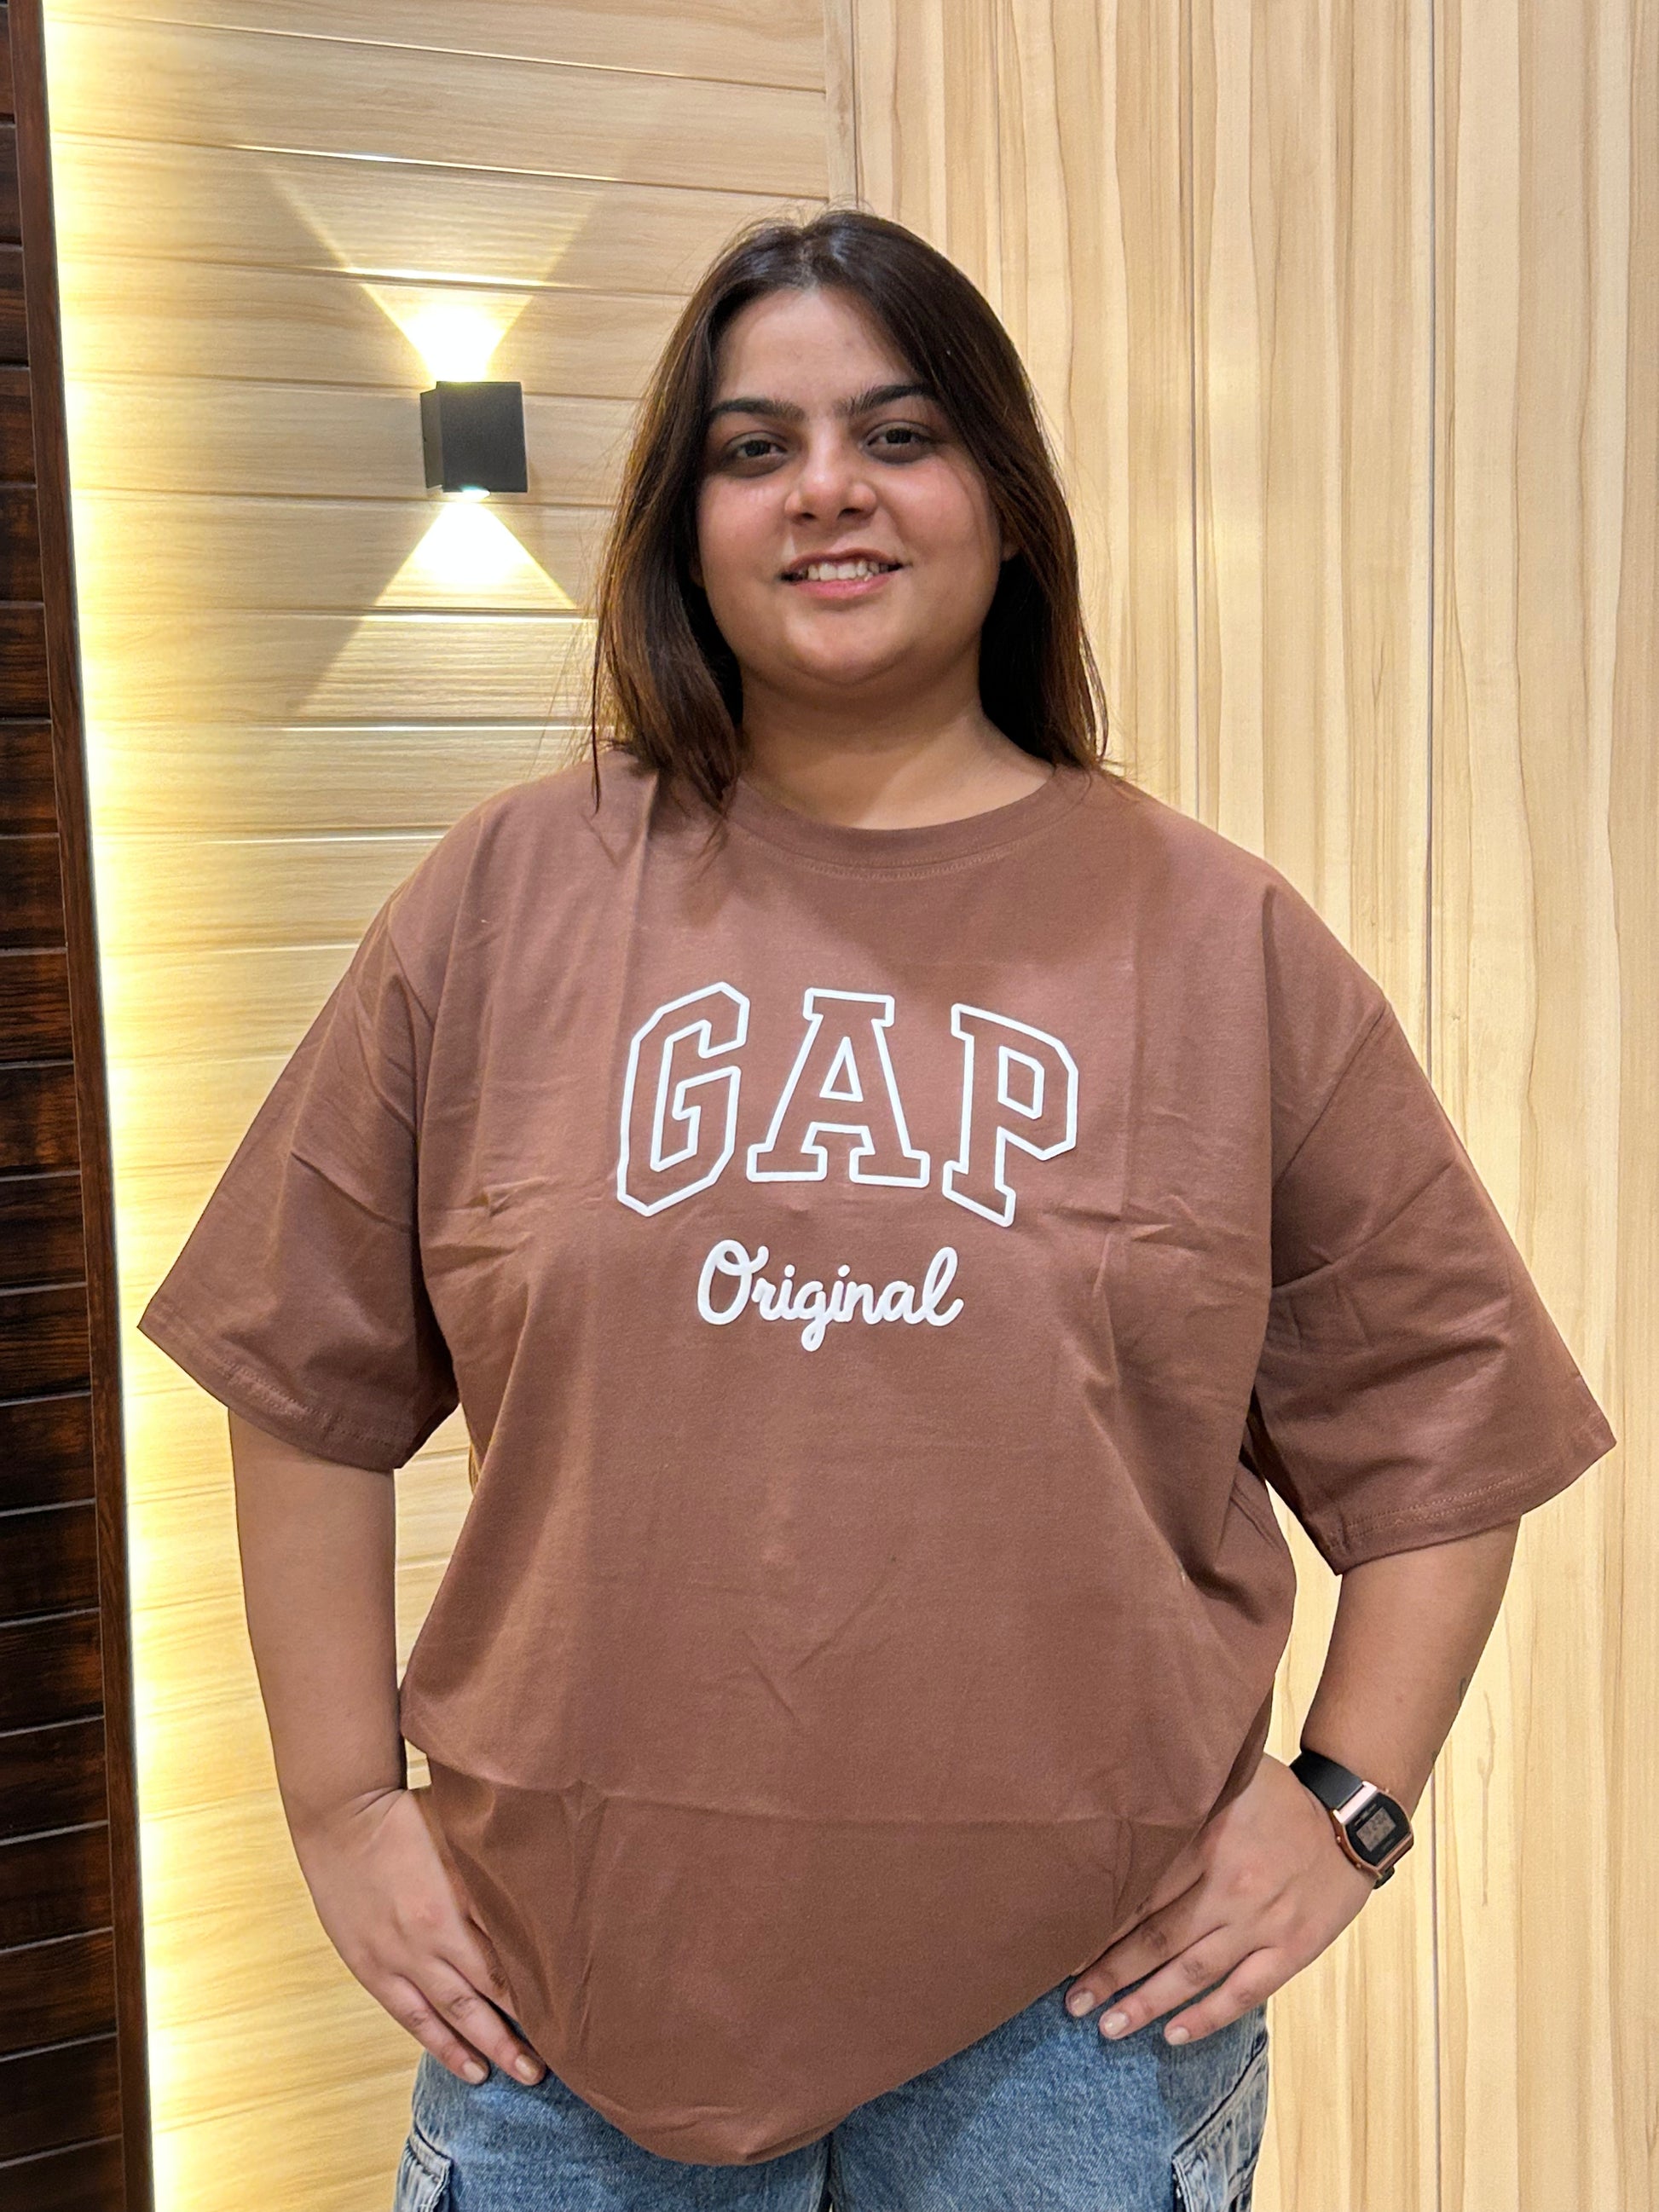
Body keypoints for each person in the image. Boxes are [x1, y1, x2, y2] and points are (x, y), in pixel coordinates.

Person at [136, 208, 1616, 2212]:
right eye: (754, 447)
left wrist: (1344, 1809)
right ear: (685, 526)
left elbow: (1447, 1422)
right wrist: (335, 1807)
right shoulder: (506, 896)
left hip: (1076, 2027)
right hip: (560, 1993)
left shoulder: (1213, 936)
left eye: (897, 434)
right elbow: (295, 1368)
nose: (826, 487)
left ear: (1003, 498)